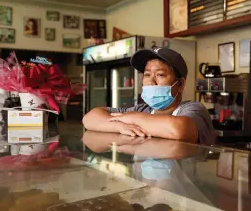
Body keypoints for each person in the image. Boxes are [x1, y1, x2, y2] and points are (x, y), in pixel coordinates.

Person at [82, 47, 216, 146]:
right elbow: (89, 118)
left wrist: (132, 118)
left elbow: (178, 130)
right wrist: (119, 127)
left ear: (180, 84)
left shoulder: (193, 109)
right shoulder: (143, 109)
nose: (151, 82)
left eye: (160, 75)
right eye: (147, 75)